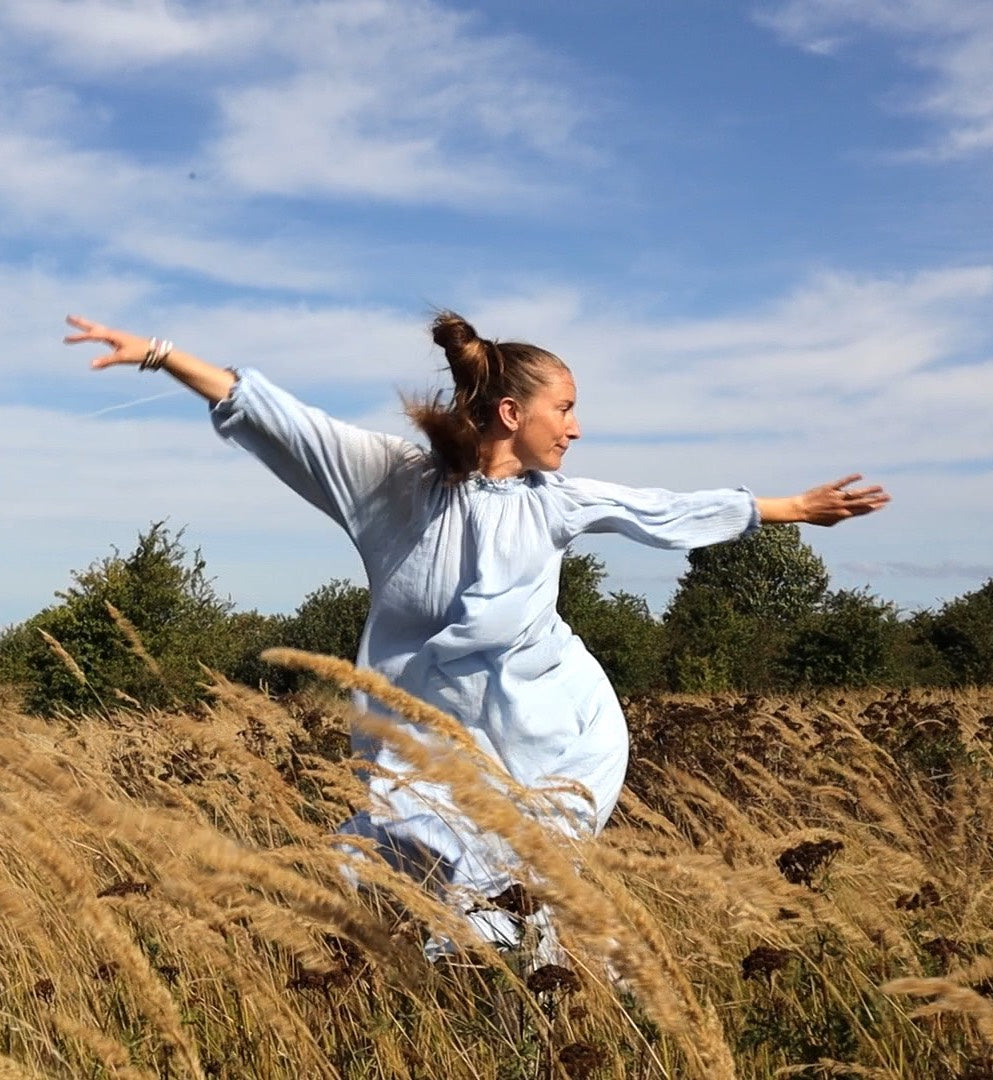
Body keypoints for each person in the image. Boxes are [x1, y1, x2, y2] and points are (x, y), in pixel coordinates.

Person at [64, 311, 890, 951]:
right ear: (509, 411)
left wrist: (790, 510)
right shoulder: (392, 484)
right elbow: (286, 419)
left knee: (520, 884)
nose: (575, 427)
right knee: (399, 871)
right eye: (564, 409)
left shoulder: (554, 501)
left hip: (555, 732)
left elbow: (662, 511)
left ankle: (526, 996)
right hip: (435, 737)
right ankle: (450, 992)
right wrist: (161, 353)